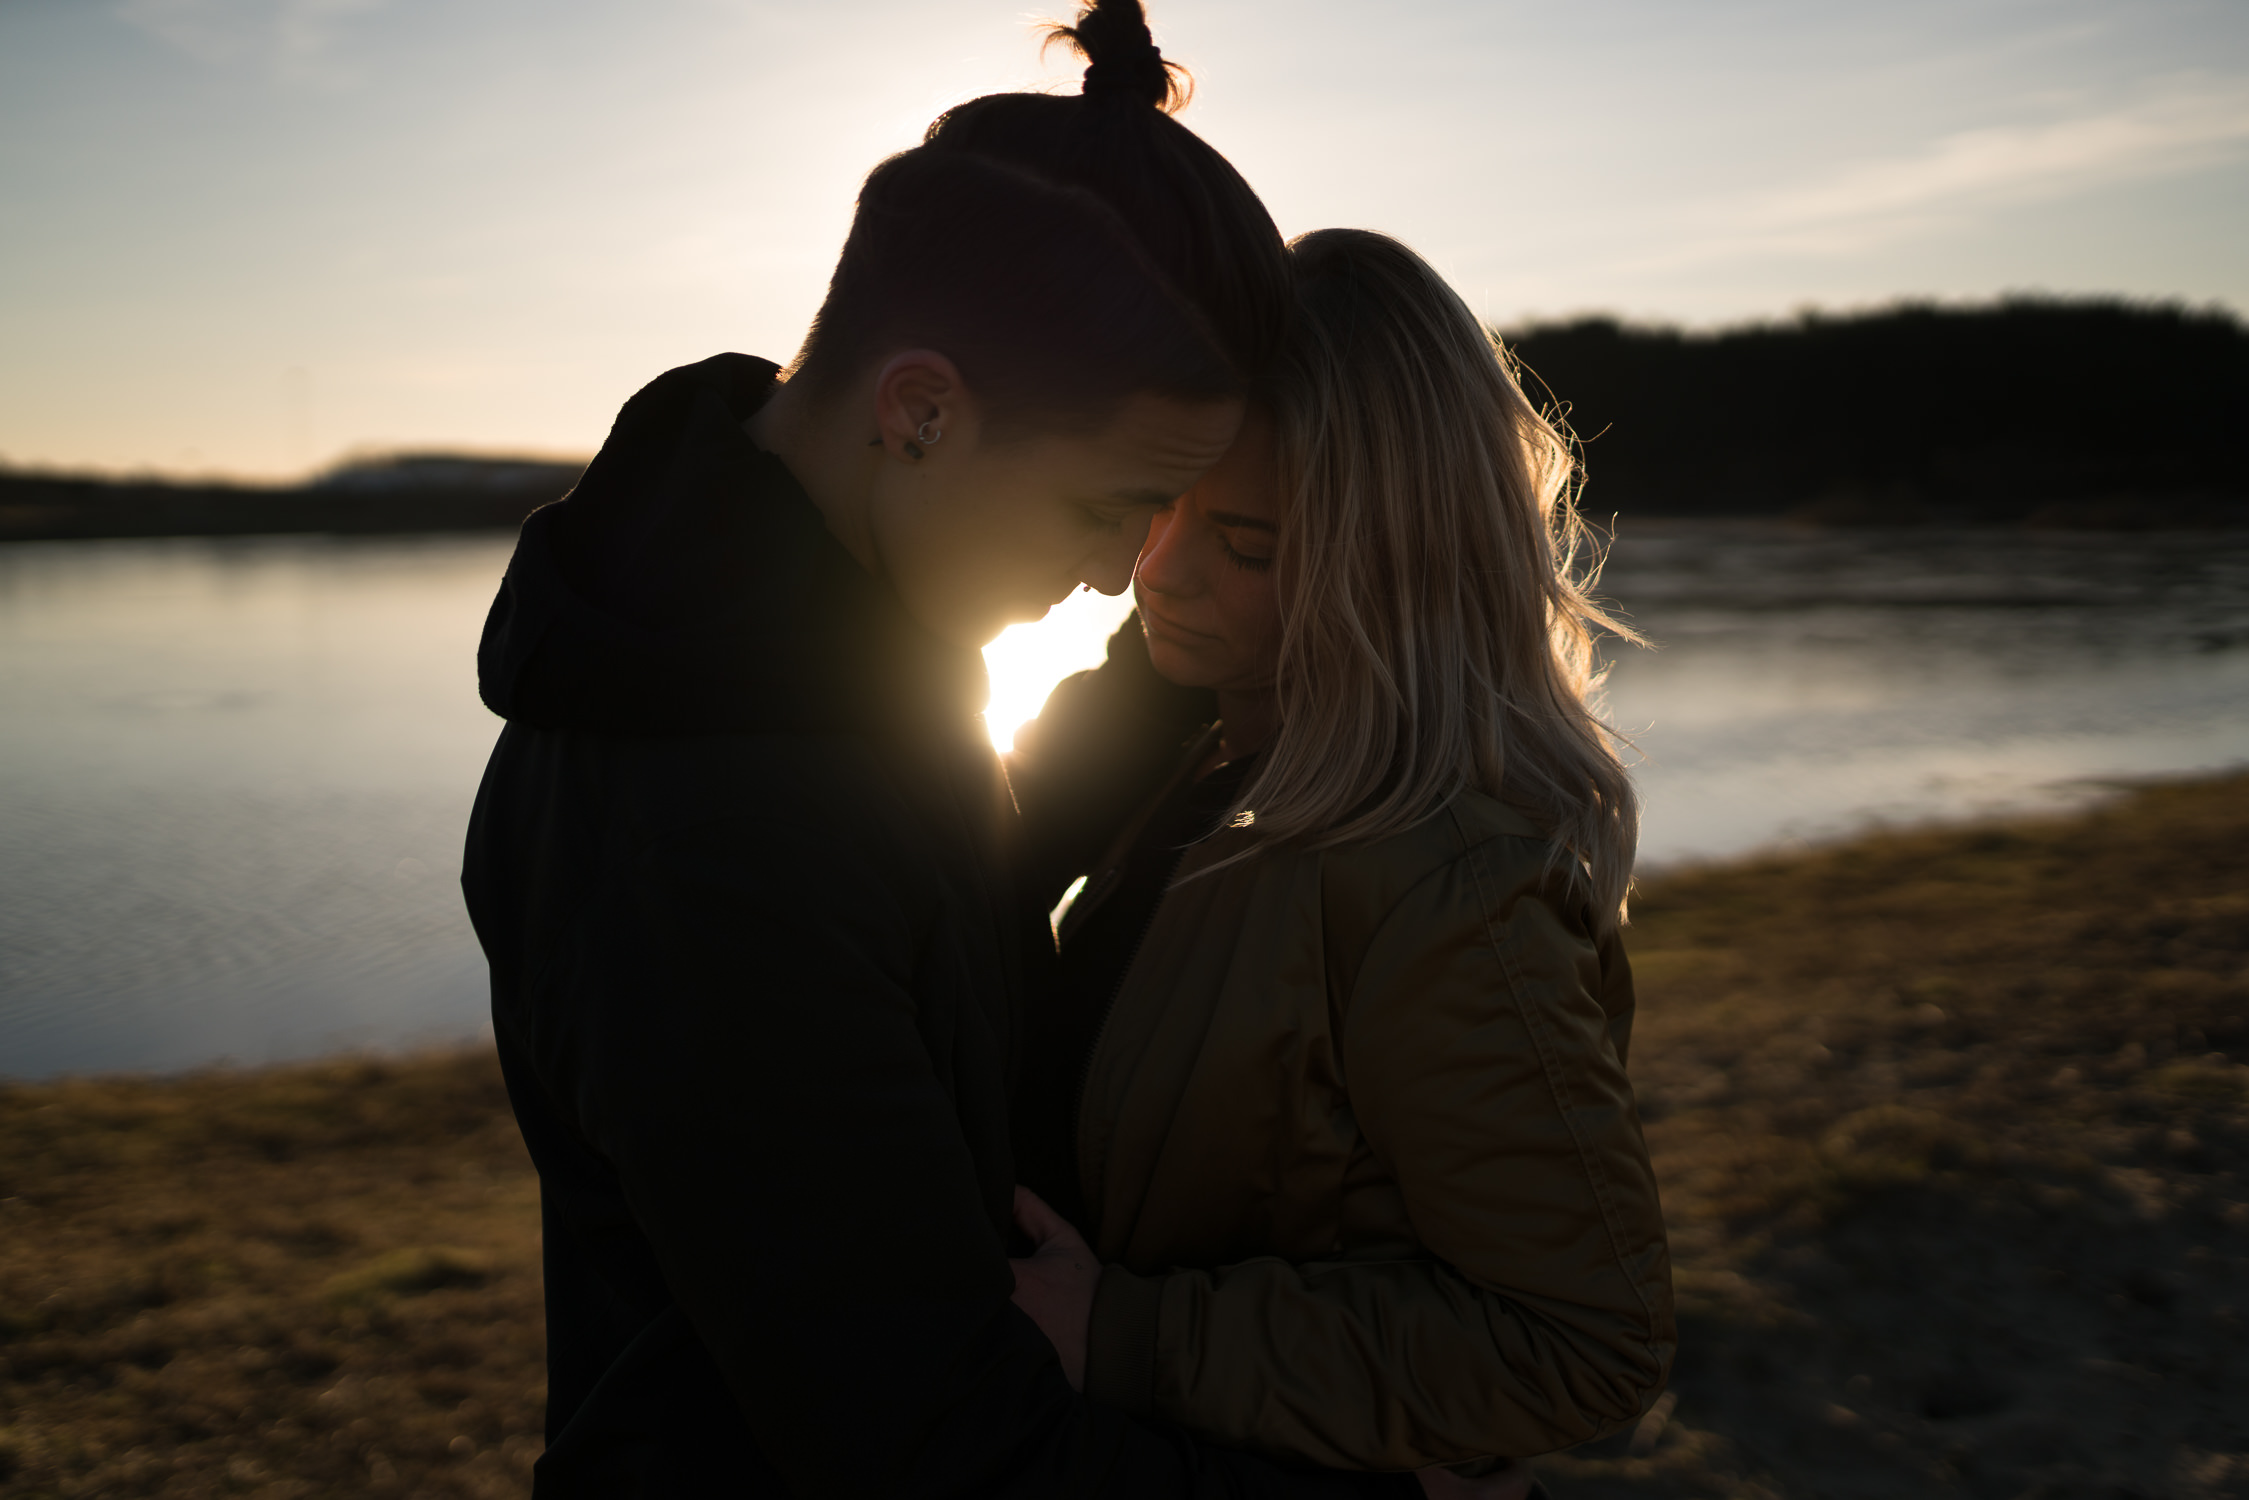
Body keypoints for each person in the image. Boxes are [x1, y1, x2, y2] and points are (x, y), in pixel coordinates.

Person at [462, 6, 1422, 1495]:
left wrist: (1196, 668)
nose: (1124, 572)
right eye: (1110, 507)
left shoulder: (785, 648)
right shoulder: (710, 825)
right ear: (920, 411)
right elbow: (936, 1448)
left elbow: (957, 878)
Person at [1004, 229, 1676, 1494]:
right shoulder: (1199, 750)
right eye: (1158, 504)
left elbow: (1580, 1344)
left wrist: (1133, 1336)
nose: (1155, 571)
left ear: (1397, 555)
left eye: (1247, 545)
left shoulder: (1447, 883)